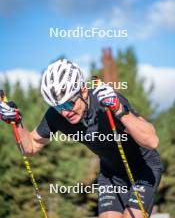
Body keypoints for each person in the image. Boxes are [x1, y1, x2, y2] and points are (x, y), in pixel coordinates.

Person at [0, 59, 163, 218]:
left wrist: (119, 109)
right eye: (58, 107)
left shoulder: (104, 101)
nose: (65, 112)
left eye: (69, 104)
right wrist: (17, 123)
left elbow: (152, 141)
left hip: (144, 168)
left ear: (84, 90)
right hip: (111, 174)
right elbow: (31, 147)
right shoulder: (57, 116)